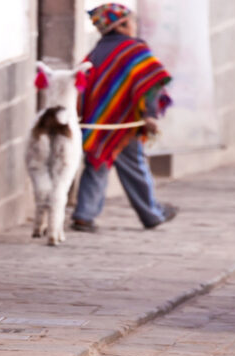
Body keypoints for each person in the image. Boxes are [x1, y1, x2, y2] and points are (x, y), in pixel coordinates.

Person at [71, 3, 178, 232]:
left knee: (96, 163)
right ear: (121, 25)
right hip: (124, 122)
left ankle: (84, 214)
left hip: (97, 122)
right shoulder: (135, 50)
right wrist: (150, 115)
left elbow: (84, 88)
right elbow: (150, 84)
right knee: (135, 167)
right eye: (132, 21)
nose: (135, 26)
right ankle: (152, 214)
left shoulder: (95, 52)